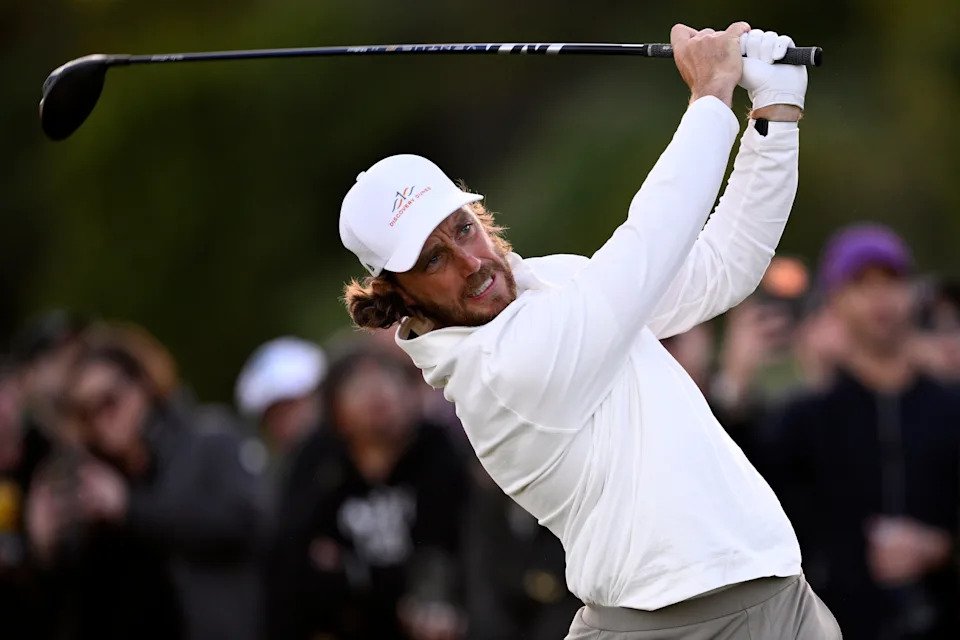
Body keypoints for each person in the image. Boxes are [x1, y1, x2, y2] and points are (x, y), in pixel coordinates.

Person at [338, 21, 839, 640]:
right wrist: (710, 95)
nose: (470, 263)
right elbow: (650, 242)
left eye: (462, 228)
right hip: (675, 625)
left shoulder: (556, 284)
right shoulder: (498, 370)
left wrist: (775, 114)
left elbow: (721, 267)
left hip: (779, 593)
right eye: (433, 260)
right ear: (397, 298)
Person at [763, 225, 960, 639]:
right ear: (835, 302)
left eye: (891, 281)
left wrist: (942, 548)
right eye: (861, 284)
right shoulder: (802, 422)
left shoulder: (949, 408)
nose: (880, 298)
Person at [25, 324, 266, 640]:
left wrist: (130, 509)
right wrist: (45, 549)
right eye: (86, 412)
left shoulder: (208, 440)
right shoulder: (96, 481)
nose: (102, 421)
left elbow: (245, 524)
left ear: (142, 385)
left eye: (109, 401)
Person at [265, 346, 468, 640]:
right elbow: (293, 563)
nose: (377, 393)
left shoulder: (441, 454)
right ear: (336, 410)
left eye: (389, 378)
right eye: (358, 385)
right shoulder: (316, 466)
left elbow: (460, 548)